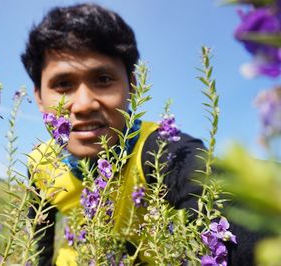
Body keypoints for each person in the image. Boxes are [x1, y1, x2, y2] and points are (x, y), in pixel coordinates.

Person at [21, 3, 261, 265]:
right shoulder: (39, 163)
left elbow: (231, 206)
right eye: (63, 84)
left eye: (102, 79)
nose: (83, 104)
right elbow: (41, 236)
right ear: (39, 98)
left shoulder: (161, 150)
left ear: (132, 86)